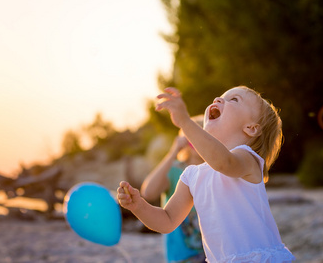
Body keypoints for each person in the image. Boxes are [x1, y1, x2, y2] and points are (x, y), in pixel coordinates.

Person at [117, 86, 295, 262]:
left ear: (251, 128)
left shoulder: (247, 159)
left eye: (233, 100)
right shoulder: (191, 175)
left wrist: (185, 122)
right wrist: (139, 206)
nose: (218, 99)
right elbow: (168, 220)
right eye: (220, 96)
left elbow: (223, 162)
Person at [141, 115, 205, 263]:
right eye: (191, 137)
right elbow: (148, 192)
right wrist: (173, 152)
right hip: (181, 256)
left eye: (201, 136)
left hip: (212, 254)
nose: (196, 141)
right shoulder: (174, 170)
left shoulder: (213, 173)